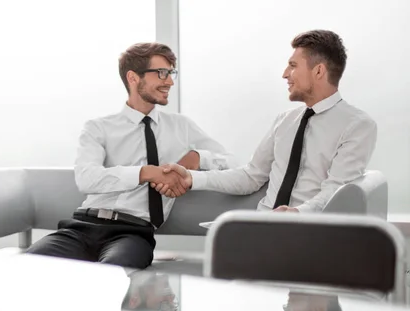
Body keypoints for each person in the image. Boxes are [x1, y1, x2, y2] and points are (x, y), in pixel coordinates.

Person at [27, 42, 237, 269]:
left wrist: (197, 158)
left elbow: (234, 163)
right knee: (28, 267)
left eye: (171, 73)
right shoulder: (99, 128)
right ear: (133, 78)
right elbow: (86, 178)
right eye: (162, 73)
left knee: (113, 275)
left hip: (133, 234)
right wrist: (146, 172)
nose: (170, 81)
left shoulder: (181, 127)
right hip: (80, 227)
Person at [156, 30, 377, 213]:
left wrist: (298, 214)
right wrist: (191, 178)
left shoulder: (357, 125)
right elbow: (250, 176)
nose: (285, 74)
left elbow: (336, 191)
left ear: (319, 71)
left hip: (309, 233)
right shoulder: (285, 121)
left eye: (293, 65)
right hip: (262, 227)